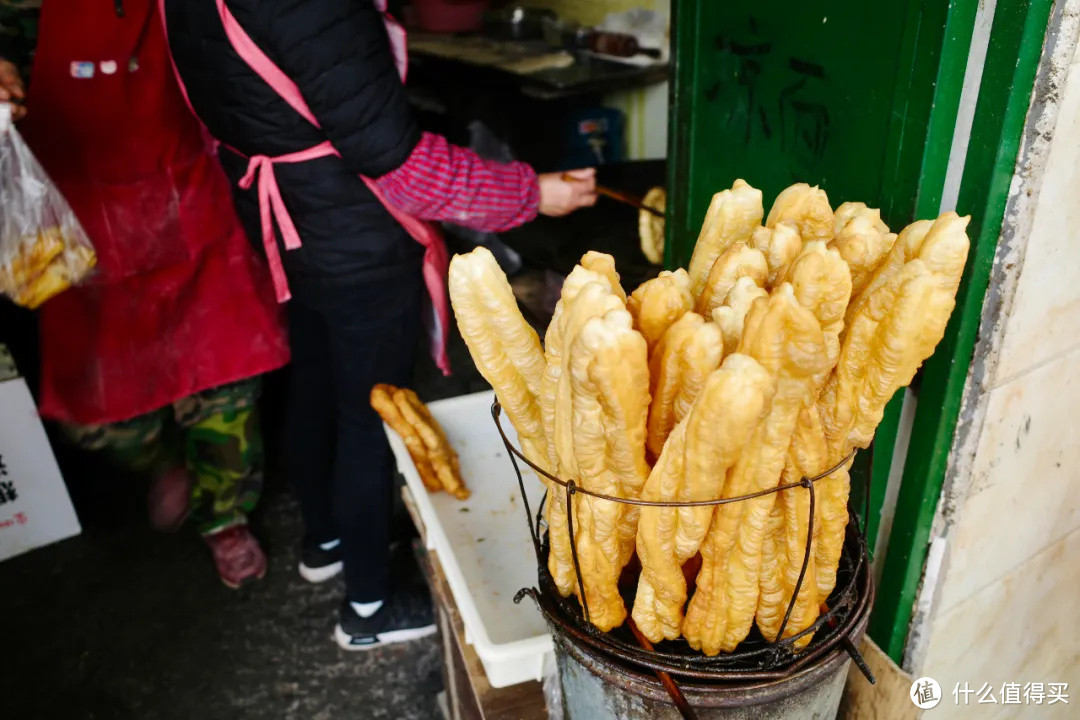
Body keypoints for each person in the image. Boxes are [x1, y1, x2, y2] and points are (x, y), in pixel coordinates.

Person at [160, 0, 597, 649]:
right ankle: (369, 604)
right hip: (353, 235)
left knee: (313, 382)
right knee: (374, 417)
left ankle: (328, 539)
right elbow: (402, 165)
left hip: (286, 223)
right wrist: (531, 193)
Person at [0, 0, 290, 588]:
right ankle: (166, 461)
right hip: (80, 235)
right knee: (102, 418)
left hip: (192, 213)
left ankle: (225, 520)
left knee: (226, 395)